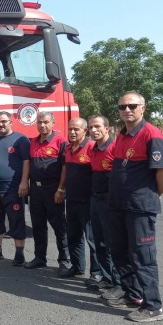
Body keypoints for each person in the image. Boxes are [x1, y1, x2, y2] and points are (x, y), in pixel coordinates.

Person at [106, 92, 163, 322]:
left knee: (143, 257)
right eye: (122, 106)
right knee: (120, 253)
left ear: (143, 108)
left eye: (132, 106)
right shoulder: (122, 135)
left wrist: (152, 196)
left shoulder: (151, 134)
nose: (127, 110)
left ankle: (153, 306)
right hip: (118, 205)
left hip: (139, 208)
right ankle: (132, 294)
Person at [0, 111, 30, 265]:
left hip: (12, 189)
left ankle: (19, 254)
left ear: (10, 122)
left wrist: (24, 182)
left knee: (16, 221)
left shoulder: (21, 139)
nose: (0, 124)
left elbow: (26, 162)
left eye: (3, 121)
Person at [24, 112, 71, 273]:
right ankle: (39, 258)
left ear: (52, 123)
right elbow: (29, 165)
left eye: (46, 122)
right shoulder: (33, 142)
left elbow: (65, 167)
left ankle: (64, 260)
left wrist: (61, 189)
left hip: (53, 189)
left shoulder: (61, 141)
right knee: (38, 225)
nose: (42, 125)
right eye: (40, 122)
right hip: (36, 190)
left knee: (59, 227)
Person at [87, 115, 121, 292]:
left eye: (97, 126)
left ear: (107, 128)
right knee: (98, 242)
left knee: (112, 243)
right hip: (95, 200)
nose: (93, 130)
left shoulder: (114, 148)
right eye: (91, 127)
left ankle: (118, 283)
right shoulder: (93, 148)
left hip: (110, 201)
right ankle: (106, 279)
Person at [59, 118, 96, 278]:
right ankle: (77, 266)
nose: (72, 132)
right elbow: (66, 170)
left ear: (85, 131)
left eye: (76, 129)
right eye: (70, 129)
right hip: (72, 199)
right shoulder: (68, 148)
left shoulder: (92, 147)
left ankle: (96, 273)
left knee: (92, 239)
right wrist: (61, 189)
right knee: (74, 236)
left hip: (88, 201)